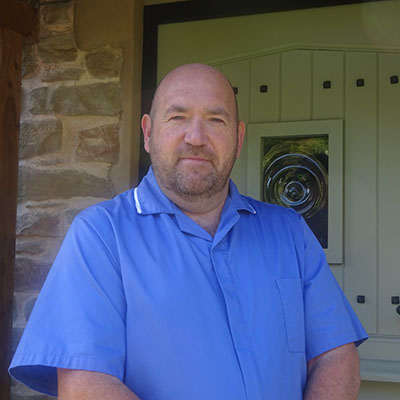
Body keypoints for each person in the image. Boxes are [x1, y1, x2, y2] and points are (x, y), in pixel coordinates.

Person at [10, 63, 367, 400]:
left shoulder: (289, 232)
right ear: (149, 133)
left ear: (239, 138)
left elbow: (335, 356)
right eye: (178, 117)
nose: (196, 137)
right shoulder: (101, 236)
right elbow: (84, 385)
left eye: (216, 119)